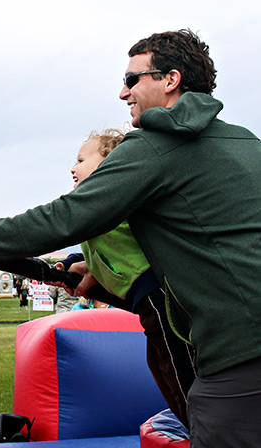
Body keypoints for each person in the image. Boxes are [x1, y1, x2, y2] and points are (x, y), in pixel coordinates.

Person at [0, 29, 261, 447]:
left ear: (170, 79)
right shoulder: (245, 142)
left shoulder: (157, 145)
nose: (123, 93)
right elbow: (208, 242)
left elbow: (68, 217)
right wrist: (100, 270)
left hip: (239, 353)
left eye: (132, 79)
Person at [47, 129, 195, 426]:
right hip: (147, 305)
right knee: (160, 366)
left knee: (178, 371)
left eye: (80, 159)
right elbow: (106, 247)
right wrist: (80, 264)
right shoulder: (99, 205)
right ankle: (193, 425)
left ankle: (204, 429)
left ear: (110, 165)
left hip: (160, 296)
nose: (72, 168)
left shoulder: (118, 196)